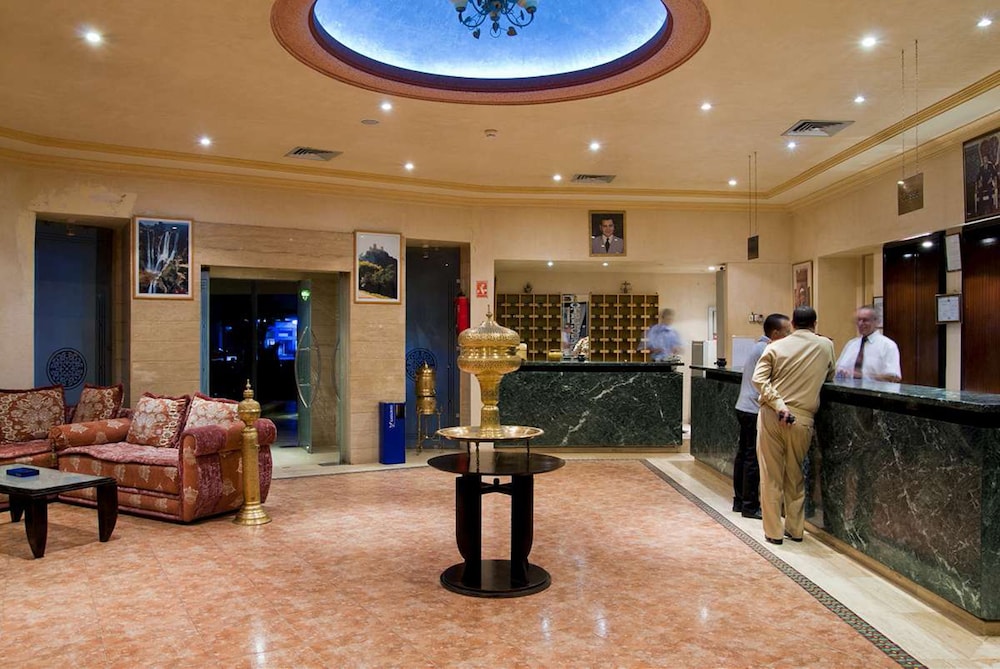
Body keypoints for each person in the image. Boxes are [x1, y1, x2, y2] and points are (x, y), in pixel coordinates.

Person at [751, 306, 834, 545]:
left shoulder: (774, 347)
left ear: (793, 324)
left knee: (771, 475)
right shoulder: (826, 346)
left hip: (773, 414)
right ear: (815, 324)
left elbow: (758, 379)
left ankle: (774, 532)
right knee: (796, 474)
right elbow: (830, 375)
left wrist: (779, 405)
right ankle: (796, 530)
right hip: (803, 418)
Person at [732, 313, 790, 519]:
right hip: (753, 409)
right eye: (786, 332)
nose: (789, 336)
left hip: (744, 406)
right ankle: (750, 505)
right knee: (752, 459)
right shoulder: (767, 349)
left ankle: (740, 501)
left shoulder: (757, 347)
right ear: (775, 333)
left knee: (743, 456)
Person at [834, 306, 901, 382]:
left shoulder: (888, 346)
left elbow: (893, 377)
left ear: (876, 322)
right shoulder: (851, 344)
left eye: (865, 320)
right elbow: (837, 369)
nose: (860, 323)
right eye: (858, 320)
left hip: (875, 389)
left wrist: (862, 376)